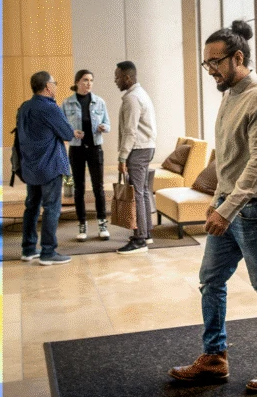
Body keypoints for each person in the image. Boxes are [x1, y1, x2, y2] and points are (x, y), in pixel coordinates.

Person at [168, 20, 257, 393]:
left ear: (238, 58)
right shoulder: (230, 94)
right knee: (211, 280)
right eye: (206, 63)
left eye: (215, 62)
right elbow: (228, 159)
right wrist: (217, 202)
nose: (210, 70)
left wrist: (227, 209)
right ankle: (214, 357)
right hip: (229, 204)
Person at [18, 71, 75, 265]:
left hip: (30, 166)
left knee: (31, 207)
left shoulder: (25, 107)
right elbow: (67, 133)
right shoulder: (50, 108)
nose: (56, 86)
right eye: (54, 83)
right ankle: (48, 252)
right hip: (50, 166)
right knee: (51, 208)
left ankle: (28, 249)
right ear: (48, 87)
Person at [114, 60, 158, 254]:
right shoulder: (140, 94)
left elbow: (130, 131)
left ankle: (139, 240)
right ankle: (145, 233)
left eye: (117, 77)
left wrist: (122, 157)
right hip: (145, 147)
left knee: (137, 193)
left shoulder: (132, 98)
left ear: (127, 77)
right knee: (143, 191)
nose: (115, 81)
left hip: (138, 149)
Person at [62, 69, 111, 241]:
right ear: (77, 82)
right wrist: (71, 132)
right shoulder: (67, 103)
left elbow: (108, 124)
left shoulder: (99, 102)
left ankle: (102, 224)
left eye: (91, 80)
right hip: (76, 149)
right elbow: (62, 128)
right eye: (85, 80)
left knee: (99, 187)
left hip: (95, 148)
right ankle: (82, 224)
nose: (88, 83)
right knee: (79, 188)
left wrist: (103, 127)